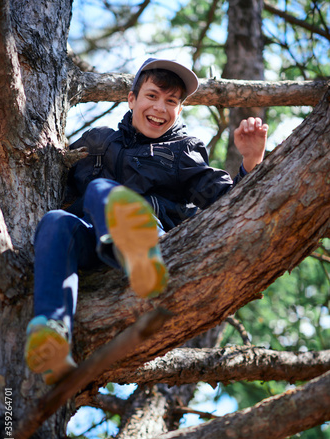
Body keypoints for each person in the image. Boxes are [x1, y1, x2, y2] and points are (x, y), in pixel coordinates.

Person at [25, 58, 268, 385]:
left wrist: (251, 162)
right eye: (152, 96)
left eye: (172, 101)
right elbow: (58, 193)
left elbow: (229, 204)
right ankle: (51, 333)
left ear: (179, 111)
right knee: (56, 220)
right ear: (131, 99)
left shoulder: (183, 150)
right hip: (96, 251)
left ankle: (140, 250)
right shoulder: (96, 141)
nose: (160, 108)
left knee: (101, 189)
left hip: (157, 246)